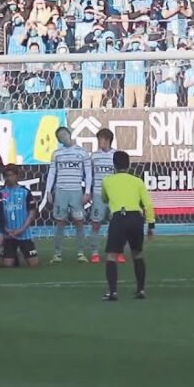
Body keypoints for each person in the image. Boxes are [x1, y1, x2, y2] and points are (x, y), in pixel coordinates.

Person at [99, 151, 156, 301]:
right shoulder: (137, 181)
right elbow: (148, 204)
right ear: (129, 164)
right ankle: (141, 290)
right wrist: (151, 225)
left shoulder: (107, 181)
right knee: (137, 254)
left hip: (119, 217)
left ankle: (113, 292)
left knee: (111, 256)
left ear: (114, 165)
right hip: (136, 218)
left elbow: (104, 198)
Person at [43, 126, 91, 263]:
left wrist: (87, 192)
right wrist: (48, 191)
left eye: (64, 134)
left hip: (76, 191)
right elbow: (52, 173)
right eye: (59, 136)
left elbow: (88, 174)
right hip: (60, 191)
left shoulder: (82, 152)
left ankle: (81, 253)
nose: (62, 137)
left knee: (79, 222)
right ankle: (57, 254)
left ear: (69, 134)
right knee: (60, 222)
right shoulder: (57, 153)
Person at [0, 164, 39, 268]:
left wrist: (22, 229)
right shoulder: (0, 193)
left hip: (24, 234)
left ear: (17, 176)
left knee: (34, 264)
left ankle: (17, 255)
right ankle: (13, 256)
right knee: (7, 265)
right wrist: (5, 230)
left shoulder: (25, 192)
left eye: (11, 175)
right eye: (7, 175)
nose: (9, 178)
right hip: (9, 235)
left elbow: (32, 212)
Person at [88, 128, 118, 264]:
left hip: (114, 196)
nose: (100, 142)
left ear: (108, 140)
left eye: (102, 139)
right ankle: (94, 252)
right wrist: (88, 192)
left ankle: (118, 252)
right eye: (98, 139)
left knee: (117, 225)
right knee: (96, 223)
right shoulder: (93, 156)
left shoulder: (116, 155)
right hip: (98, 195)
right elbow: (89, 176)